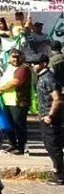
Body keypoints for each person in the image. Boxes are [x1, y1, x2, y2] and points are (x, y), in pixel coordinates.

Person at [0, 48, 31, 154]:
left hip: (18, 101)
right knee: (9, 124)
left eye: (17, 56)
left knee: (19, 125)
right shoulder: (9, 68)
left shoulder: (23, 68)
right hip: (7, 101)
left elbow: (15, 82)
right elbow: (5, 81)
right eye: (13, 57)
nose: (15, 59)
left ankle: (21, 147)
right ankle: (12, 144)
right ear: (9, 57)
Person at [33, 54, 64, 185]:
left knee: (53, 146)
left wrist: (50, 115)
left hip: (51, 118)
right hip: (44, 116)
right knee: (49, 144)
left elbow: (57, 99)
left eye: (36, 63)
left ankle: (60, 175)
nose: (33, 65)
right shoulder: (42, 77)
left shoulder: (48, 78)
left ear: (44, 64)